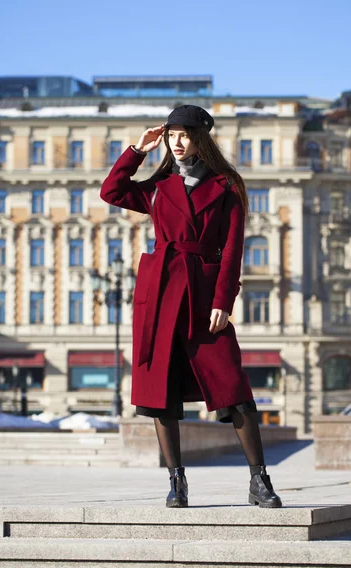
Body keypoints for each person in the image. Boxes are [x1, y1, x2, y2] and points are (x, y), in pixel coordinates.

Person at [100, 104, 282, 509]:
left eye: (184, 135)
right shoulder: (157, 184)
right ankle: (176, 482)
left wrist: (223, 300)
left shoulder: (226, 185)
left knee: (233, 387)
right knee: (161, 392)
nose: (176, 143)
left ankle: (259, 481)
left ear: (201, 137)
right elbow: (111, 191)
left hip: (203, 293)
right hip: (161, 292)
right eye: (171, 135)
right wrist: (138, 150)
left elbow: (233, 249)